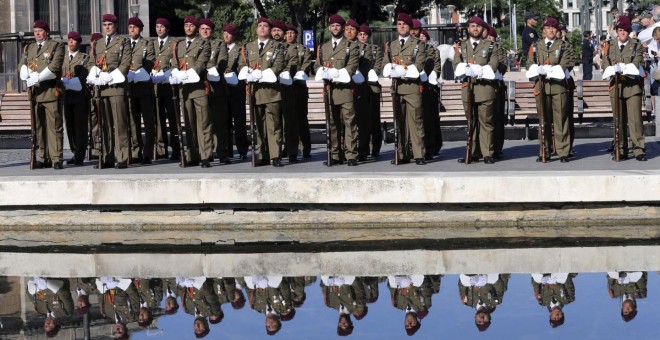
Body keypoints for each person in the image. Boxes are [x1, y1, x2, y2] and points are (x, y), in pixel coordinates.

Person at [239, 17, 286, 167]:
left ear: (270, 30)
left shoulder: (277, 46)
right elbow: (242, 64)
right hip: (254, 92)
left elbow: (278, 65)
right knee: (259, 126)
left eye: (265, 26)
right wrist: (247, 71)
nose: (262, 28)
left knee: (274, 125)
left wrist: (262, 74)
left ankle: (275, 155)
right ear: (256, 29)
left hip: (271, 92)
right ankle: (263, 154)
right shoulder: (248, 46)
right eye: (260, 26)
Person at [86, 14, 131, 169]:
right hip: (102, 89)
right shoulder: (98, 43)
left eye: (110, 24)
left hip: (116, 88)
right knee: (104, 125)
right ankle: (107, 156)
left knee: (119, 124)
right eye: (104, 24)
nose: (107, 27)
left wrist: (109, 77)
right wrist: (94, 74)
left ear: (116, 26)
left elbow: (125, 63)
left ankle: (122, 157)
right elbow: (91, 62)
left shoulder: (123, 42)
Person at [314, 14, 360, 166]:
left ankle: (351, 154)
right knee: (332, 123)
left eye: (338, 26)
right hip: (329, 90)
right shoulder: (324, 47)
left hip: (345, 89)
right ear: (329, 28)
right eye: (332, 25)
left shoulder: (351, 46)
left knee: (349, 122)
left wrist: (334, 73)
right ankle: (335, 154)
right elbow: (317, 65)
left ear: (343, 28)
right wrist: (322, 71)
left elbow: (352, 66)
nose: (335, 28)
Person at [454, 16, 500, 164]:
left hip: (485, 89)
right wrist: (474, 69)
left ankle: (487, 153)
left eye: (478, 26)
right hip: (468, 90)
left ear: (483, 29)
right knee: (471, 122)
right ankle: (472, 152)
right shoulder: (462, 46)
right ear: (468, 28)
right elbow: (457, 66)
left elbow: (492, 66)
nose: (475, 29)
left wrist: (474, 70)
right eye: (472, 26)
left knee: (486, 122)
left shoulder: (491, 46)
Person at [384, 13, 428, 165]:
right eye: (399, 23)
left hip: (412, 88)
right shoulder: (392, 45)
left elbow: (419, 64)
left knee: (416, 121)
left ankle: (418, 154)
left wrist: (401, 70)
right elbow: (386, 63)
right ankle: (401, 154)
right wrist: (390, 69)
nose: (401, 26)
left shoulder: (418, 44)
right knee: (399, 122)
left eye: (405, 24)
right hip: (396, 88)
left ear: (410, 27)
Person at [526, 17, 572, 163]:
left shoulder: (563, 45)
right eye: (547, 28)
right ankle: (544, 150)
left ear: (557, 30)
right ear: (543, 30)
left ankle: (563, 151)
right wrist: (537, 69)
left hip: (558, 88)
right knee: (543, 120)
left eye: (553, 28)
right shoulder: (535, 46)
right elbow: (529, 64)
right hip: (542, 87)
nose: (550, 30)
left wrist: (546, 69)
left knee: (560, 120)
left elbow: (564, 64)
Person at [21, 20, 65, 169]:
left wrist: (38, 77)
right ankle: (44, 157)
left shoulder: (56, 45)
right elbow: (22, 63)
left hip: (51, 91)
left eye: (40, 30)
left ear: (47, 32)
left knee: (54, 126)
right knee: (39, 127)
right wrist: (25, 73)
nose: (37, 33)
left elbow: (55, 65)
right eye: (35, 31)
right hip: (35, 93)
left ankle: (56, 158)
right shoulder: (30, 47)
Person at [170, 16, 213, 168]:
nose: (188, 28)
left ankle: (205, 155)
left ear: (196, 28)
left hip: (199, 88)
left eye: (191, 25)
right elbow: (174, 62)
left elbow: (200, 64)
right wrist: (175, 72)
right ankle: (192, 155)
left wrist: (184, 75)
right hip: (184, 90)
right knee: (188, 124)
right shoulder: (178, 45)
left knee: (203, 123)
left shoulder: (204, 44)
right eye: (186, 25)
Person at [602, 15, 647, 161]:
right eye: (620, 30)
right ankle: (620, 148)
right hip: (616, 87)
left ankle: (639, 149)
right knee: (618, 120)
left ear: (629, 31)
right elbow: (605, 63)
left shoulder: (636, 44)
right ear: (616, 30)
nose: (623, 33)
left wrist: (624, 68)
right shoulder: (609, 45)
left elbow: (637, 62)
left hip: (632, 86)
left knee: (635, 120)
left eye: (625, 30)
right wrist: (612, 68)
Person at [200, 18, 231, 165]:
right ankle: (206, 153)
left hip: (216, 88)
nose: (205, 31)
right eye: (202, 28)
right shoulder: (194, 44)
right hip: (200, 88)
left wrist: (210, 72)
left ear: (212, 31)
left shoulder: (219, 44)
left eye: (208, 29)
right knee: (204, 123)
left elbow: (223, 62)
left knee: (219, 123)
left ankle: (222, 153)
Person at [127, 17, 156, 164]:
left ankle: (147, 152)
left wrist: (137, 74)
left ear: (140, 29)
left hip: (143, 87)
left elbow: (149, 62)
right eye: (130, 27)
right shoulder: (124, 44)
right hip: (130, 89)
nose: (132, 30)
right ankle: (136, 151)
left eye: (135, 27)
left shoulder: (147, 44)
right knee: (133, 122)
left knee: (149, 122)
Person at [151, 18, 180, 161]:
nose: (159, 29)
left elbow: (176, 61)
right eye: (157, 27)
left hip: (169, 87)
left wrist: (167, 74)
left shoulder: (174, 43)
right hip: (156, 87)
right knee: (158, 119)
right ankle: (161, 149)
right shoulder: (151, 44)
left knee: (173, 119)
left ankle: (176, 148)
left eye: (162, 27)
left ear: (167, 29)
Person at [271, 20, 300, 163]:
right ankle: (275, 151)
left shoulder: (290, 48)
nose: (276, 33)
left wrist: (283, 74)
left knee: (289, 122)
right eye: (274, 30)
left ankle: (292, 150)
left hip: (287, 88)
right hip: (270, 89)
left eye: (279, 31)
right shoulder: (268, 48)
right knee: (274, 122)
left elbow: (292, 64)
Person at [413, 21, 443, 161]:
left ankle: (430, 148)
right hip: (412, 87)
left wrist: (429, 75)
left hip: (428, 88)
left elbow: (435, 68)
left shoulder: (431, 50)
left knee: (429, 120)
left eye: (418, 31)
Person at [285, 23, 314, 159]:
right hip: (285, 88)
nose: (289, 35)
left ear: (296, 35)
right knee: (287, 120)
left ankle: (306, 147)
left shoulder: (303, 49)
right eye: (287, 33)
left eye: (292, 33)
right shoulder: (280, 48)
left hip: (299, 87)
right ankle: (289, 147)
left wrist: (297, 74)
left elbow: (306, 64)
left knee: (301, 119)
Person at [344, 19, 371, 162]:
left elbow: (365, 68)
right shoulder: (340, 46)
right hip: (343, 88)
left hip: (359, 88)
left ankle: (362, 150)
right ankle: (346, 150)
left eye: (352, 29)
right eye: (347, 29)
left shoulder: (364, 49)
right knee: (345, 122)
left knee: (361, 121)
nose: (349, 32)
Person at [61, 31, 89, 166]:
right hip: (67, 96)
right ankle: (74, 151)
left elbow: (86, 75)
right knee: (70, 126)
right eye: (69, 39)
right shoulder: (62, 58)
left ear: (78, 43)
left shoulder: (85, 58)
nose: (71, 42)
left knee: (80, 127)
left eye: (74, 40)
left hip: (79, 97)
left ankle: (80, 155)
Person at [222, 23, 249, 160]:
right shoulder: (219, 48)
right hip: (222, 89)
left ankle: (242, 149)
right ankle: (227, 150)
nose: (226, 35)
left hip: (236, 89)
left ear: (234, 35)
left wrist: (231, 71)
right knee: (224, 121)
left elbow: (243, 66)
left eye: (229, 33)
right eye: (224, 32)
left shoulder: (240, 50)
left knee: (239, 122)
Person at [357, 24, 384, 158]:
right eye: (360, 34)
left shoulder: (375, 49)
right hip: (358, 87)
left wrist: (374, 72)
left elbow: (378, 64)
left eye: (365, 34)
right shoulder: (352, 48)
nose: (362, 36)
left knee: (374, 119)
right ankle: (362, 148)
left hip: (372, 87)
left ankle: (376, 147)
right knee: (362, 120)